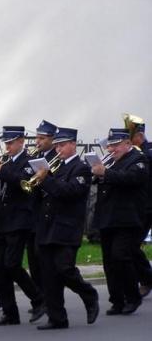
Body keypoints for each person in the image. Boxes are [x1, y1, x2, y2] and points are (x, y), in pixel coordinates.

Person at [32, 127, 99, 329]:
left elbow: (68, 192)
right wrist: (37, 183)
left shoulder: (81, 169)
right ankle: (57, 317)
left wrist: (46, 179)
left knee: (64, 269)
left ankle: (89, 295)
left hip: (67, 227)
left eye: (62, 145)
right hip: (47, 226)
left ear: (73, 144)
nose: (59, 149)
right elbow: (42, 196)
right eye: (57, 145)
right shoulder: (55, 168)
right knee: (49, 275)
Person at [0, 126, 44, 326]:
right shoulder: (6, 161)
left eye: (11, 142)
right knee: (1, 268)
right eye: (6, 143)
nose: (7, 146)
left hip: (19, 220)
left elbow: (23, 183)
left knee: (12, 264)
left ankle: (38, 299)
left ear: (21, 141)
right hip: (2, 219)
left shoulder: (28, 162)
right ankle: (10, 312)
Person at [92, 128, 148, 316]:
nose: (111, 149)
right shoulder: (112, 162)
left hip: (127, 218)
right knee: (109, 262)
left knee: (121, 256)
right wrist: (97, 173)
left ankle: (133, 297)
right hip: (108, 218)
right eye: (110, 146)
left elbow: (130, 179)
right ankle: (117, 299)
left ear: (127, 143)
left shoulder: (138, 160)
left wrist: (105, 173)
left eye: (115, 145)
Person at [27, 120, 58, 297]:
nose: (37, 141)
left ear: (52, 140)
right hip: (33, 213)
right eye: (37, 137)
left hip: (48, 212)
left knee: (42, 257)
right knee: (33, 259)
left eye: (42, 138)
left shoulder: (56, 157)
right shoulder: (35, 156)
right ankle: (40, 295)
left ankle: (48, 295)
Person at [128, 118, 152, 298]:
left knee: (132, 244)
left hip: (149, 205)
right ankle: (146, 279)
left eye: (130, 138)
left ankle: (146, 280)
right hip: (141, 206)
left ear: (140, 136)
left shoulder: (148, 150)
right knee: (131, 245)